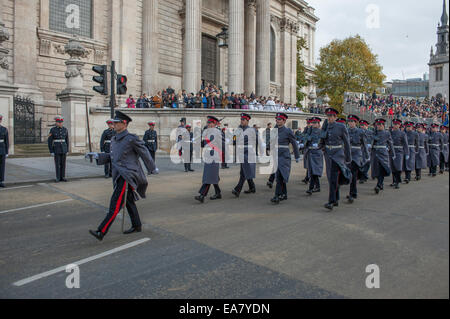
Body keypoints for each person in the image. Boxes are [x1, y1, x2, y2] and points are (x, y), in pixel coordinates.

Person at [86, 111, 155, 241]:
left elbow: (144, 153)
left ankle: (101, 231)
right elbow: (112, 157)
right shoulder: (114, 139)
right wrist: (96, 155)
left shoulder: (131, 138)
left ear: (124, 124)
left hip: (127, 175)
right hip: (118, 175)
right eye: (114, 122)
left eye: (117, 122)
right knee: (128, 201)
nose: (114, 124)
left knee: (115, 204)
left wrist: (152, 168)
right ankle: (137, 225)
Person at [322, 107, 352, 211]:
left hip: (337, 155)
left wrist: (348, 157)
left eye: (331, 116)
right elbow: (323, 139)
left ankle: (331, 201)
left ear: (335, 117)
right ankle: (335, 199)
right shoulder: (325, 126)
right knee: (331, 178)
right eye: (328, 116)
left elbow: (347, 143)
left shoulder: (341, 126)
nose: (329, 118)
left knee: (334, 177)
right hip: (328, 154)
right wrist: (321, 147)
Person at [270, 113, 300, 204]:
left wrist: (297, 155)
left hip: (284, 155)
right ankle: (284, 194)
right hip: (276, 154)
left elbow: (294, 143)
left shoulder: (288, 131)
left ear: (284, 121)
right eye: (277, 119)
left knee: (279, 175)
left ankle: (277, 195)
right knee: (280, 176)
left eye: (279, 119)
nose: (277, 121)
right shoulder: (275, 130)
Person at [195, 116, 222, 203]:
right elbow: (204, 144)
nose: (208, 124)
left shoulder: (217, 132)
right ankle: (218, 193)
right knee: (212, 176)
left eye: (210, 123)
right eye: (208, 123)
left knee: (208, 176)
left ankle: (202, 195)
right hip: (208, 156)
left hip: (214, 156)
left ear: (214, 124)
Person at [232, 113, 258, 197]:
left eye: (243, 120)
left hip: (248, 152)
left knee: (243, 171)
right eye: (241, 119)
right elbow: (234, 137)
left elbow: (257, 140)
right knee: (245, 170)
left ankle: (237, 189)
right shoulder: (239, 129)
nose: (241, 121)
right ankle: (252, 187)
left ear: (247, 121)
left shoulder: (251, 130)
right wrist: (234, 139)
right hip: (241, 152)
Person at [346, 115, 369, 203]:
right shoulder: (346, 131)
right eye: (349, 121)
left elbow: (364, 144)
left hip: (356, 155)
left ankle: (352, 193)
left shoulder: (360, 132)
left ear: (356, 123)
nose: (350, 123)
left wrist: (367, 156)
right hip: (348, 154)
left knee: (353, 175)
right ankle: (353, 192)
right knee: (348, 175)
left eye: (352, 121)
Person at [371, 119, 394, 194]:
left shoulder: (387, 133)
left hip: (383, 153)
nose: (379, 126)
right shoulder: (374, 132)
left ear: (383, 125)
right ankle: (380, 183)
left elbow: (390, 143)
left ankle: (379, 184)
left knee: (382, 168)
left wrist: (393, 153)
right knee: (376, 169)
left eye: (380, 124)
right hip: (375, 153)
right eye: (377, 124)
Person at [304, 117, 324, 195]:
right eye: (313, 123)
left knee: (315, 170)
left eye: (315, 123)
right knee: (312, 170)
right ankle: (316, 187)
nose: (314, 124)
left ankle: (311, 188)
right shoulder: (309, 130)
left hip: (317, 152)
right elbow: (305, 137)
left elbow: (323, 141)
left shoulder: (321, 132)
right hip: (311, 151)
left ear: (319, 124)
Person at [48, 116, 69, 183]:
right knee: (57, 164)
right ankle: (58, 177)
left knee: (63, 164)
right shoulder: (52, 130)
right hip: (56, 149)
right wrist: (51, 151)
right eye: (58, 122)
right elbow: (49, 141)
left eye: (61, 122)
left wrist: (67, 150)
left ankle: (63, 177)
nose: (60, 123)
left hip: (64, 149)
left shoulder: (65, 129)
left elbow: (67, 140)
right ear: (56, 122)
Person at [390, 119, 409, 189]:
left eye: (397, 124)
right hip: (391, 151)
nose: (395, 125)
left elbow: (405, 144)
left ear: (399, 125)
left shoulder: (402, 133)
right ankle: (394, 181)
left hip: (399, 151)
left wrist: (407, 153)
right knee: (393, 167)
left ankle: (397, 182)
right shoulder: (390, 133)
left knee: (398, 167)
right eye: (394, 124)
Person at [359, 119, 373, 184]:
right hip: (360, 149)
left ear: (367, 126)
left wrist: (371, 145)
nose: (362, 126)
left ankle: (364, 175)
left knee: (367, 163)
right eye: (361, 125)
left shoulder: (370, 132)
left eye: (363, 125)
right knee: (361, 163)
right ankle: (362, 176)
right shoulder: (358, 132)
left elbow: (373, 139)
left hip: (368, 149)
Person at [0, 115, 9, 188]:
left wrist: (6, 152)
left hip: (2, 150)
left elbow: (7, 141)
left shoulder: (4, 129)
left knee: (2, 166)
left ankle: (1, 181)